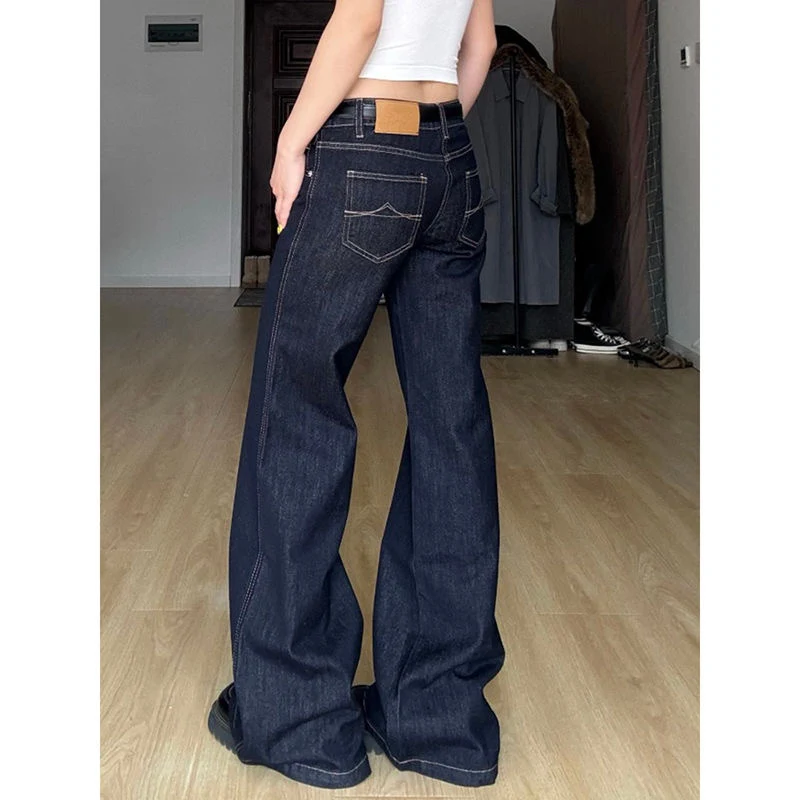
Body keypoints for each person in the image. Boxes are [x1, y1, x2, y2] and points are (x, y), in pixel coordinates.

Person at [207, 0, 504, 789]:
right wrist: (429, 144)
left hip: (363, 147)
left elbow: (363, 17)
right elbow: (479, 44)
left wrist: (291, 143)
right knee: (451, 429)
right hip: (451, 156)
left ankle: (301, 721)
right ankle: (441, 723)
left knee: (297, 415)